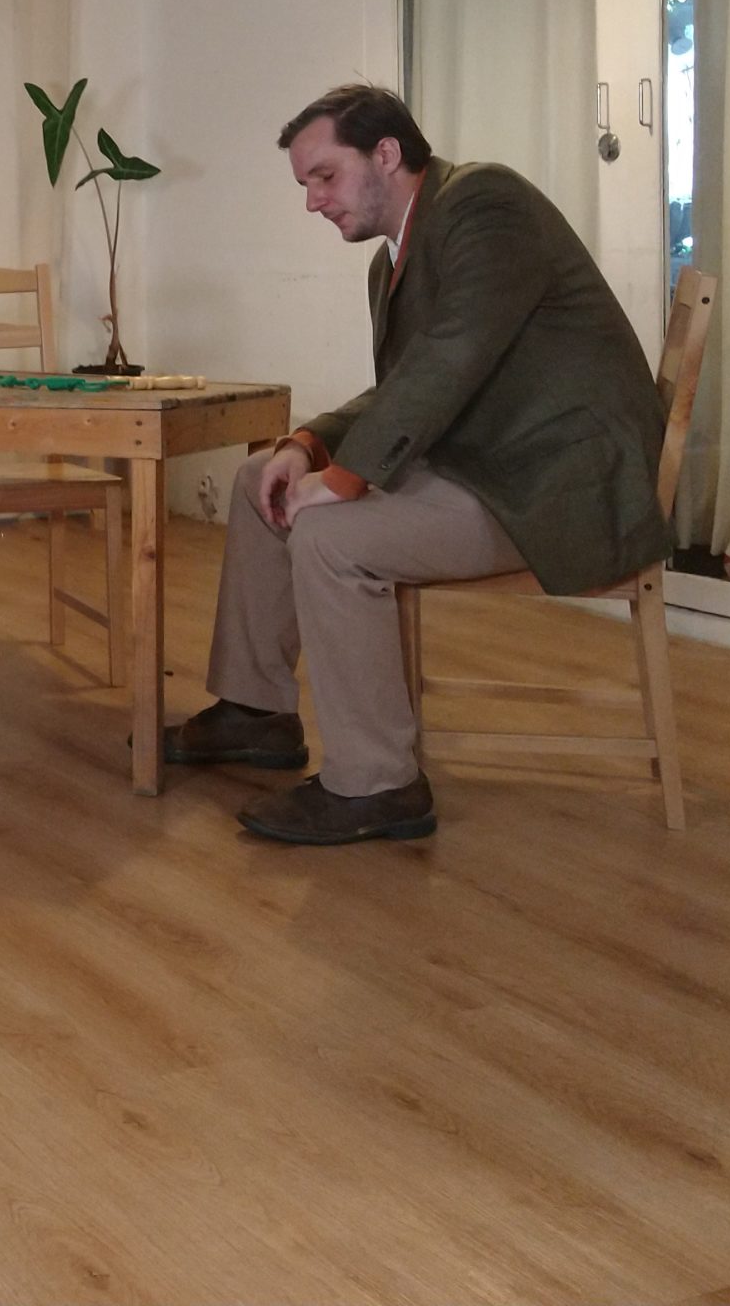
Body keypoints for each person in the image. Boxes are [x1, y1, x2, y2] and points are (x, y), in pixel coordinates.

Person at [165, 84, 667, 845]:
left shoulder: (484, 205)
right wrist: (306, 446)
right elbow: (413, 386)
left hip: (556, 483)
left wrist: (341, 482)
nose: (312, 203)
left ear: (387, 153)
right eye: (305, 185)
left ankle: (377, 784)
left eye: (324, 177)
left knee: (332, 539)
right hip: (491, 464)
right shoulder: (390, 262)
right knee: (255, 479)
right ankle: (256, 713)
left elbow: (452, 356)